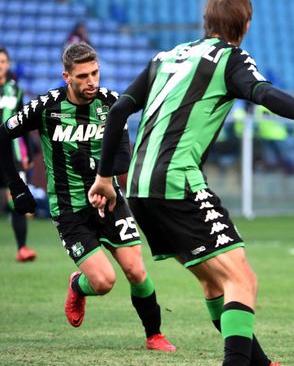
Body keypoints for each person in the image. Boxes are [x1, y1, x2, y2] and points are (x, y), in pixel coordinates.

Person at [86, 0, 294, 366]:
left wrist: (103, 178)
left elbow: (117, 112)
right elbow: (264, 94)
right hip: (177, 183)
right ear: (245, 25)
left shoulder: (166, 56)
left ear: (206, 22)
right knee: (243, 280)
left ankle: (260, 363)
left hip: (138, 186)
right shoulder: (230, 58)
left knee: (215, 281)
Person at [0, 42, 175, 352]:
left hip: (109, 201)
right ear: (66, 76)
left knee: (136, 269)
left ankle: (154, 335)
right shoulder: (46, 107)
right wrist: (17, 187)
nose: (92, 81)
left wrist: (95, 169)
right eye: (83, 76)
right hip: (70, 210)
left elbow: (123, 159)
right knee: (104, 282)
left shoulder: (111, 104)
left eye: (95, 73)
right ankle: (77, 284)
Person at [0, 46, 36, 262]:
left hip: (11, 154)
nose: (0, 65)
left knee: (16, 199)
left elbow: (22, 123)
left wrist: (29, 153)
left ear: (8, 65)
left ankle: (22, 248)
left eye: (3, 61)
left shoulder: (16, 90)